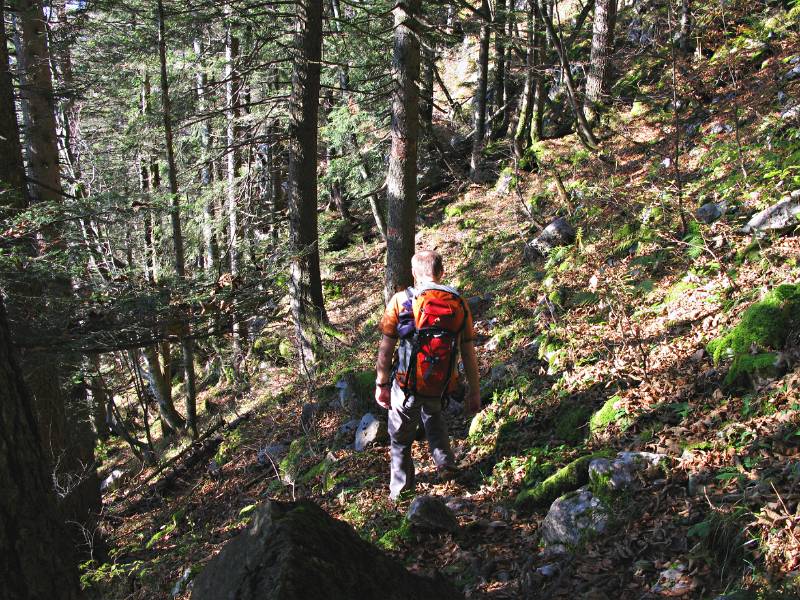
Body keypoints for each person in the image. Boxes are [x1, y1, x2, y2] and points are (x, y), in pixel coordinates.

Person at [374, 250, 481, 500]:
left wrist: (381, 383)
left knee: (400, 440)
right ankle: (445, 463)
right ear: (441, 272)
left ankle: (401, 492)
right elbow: (468, 353)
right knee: (433, 414)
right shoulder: (458, 303)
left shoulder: (401, 300)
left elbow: (386, 348)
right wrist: (474, 392)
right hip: (441, 385)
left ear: (413, 274)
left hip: (406, 386)